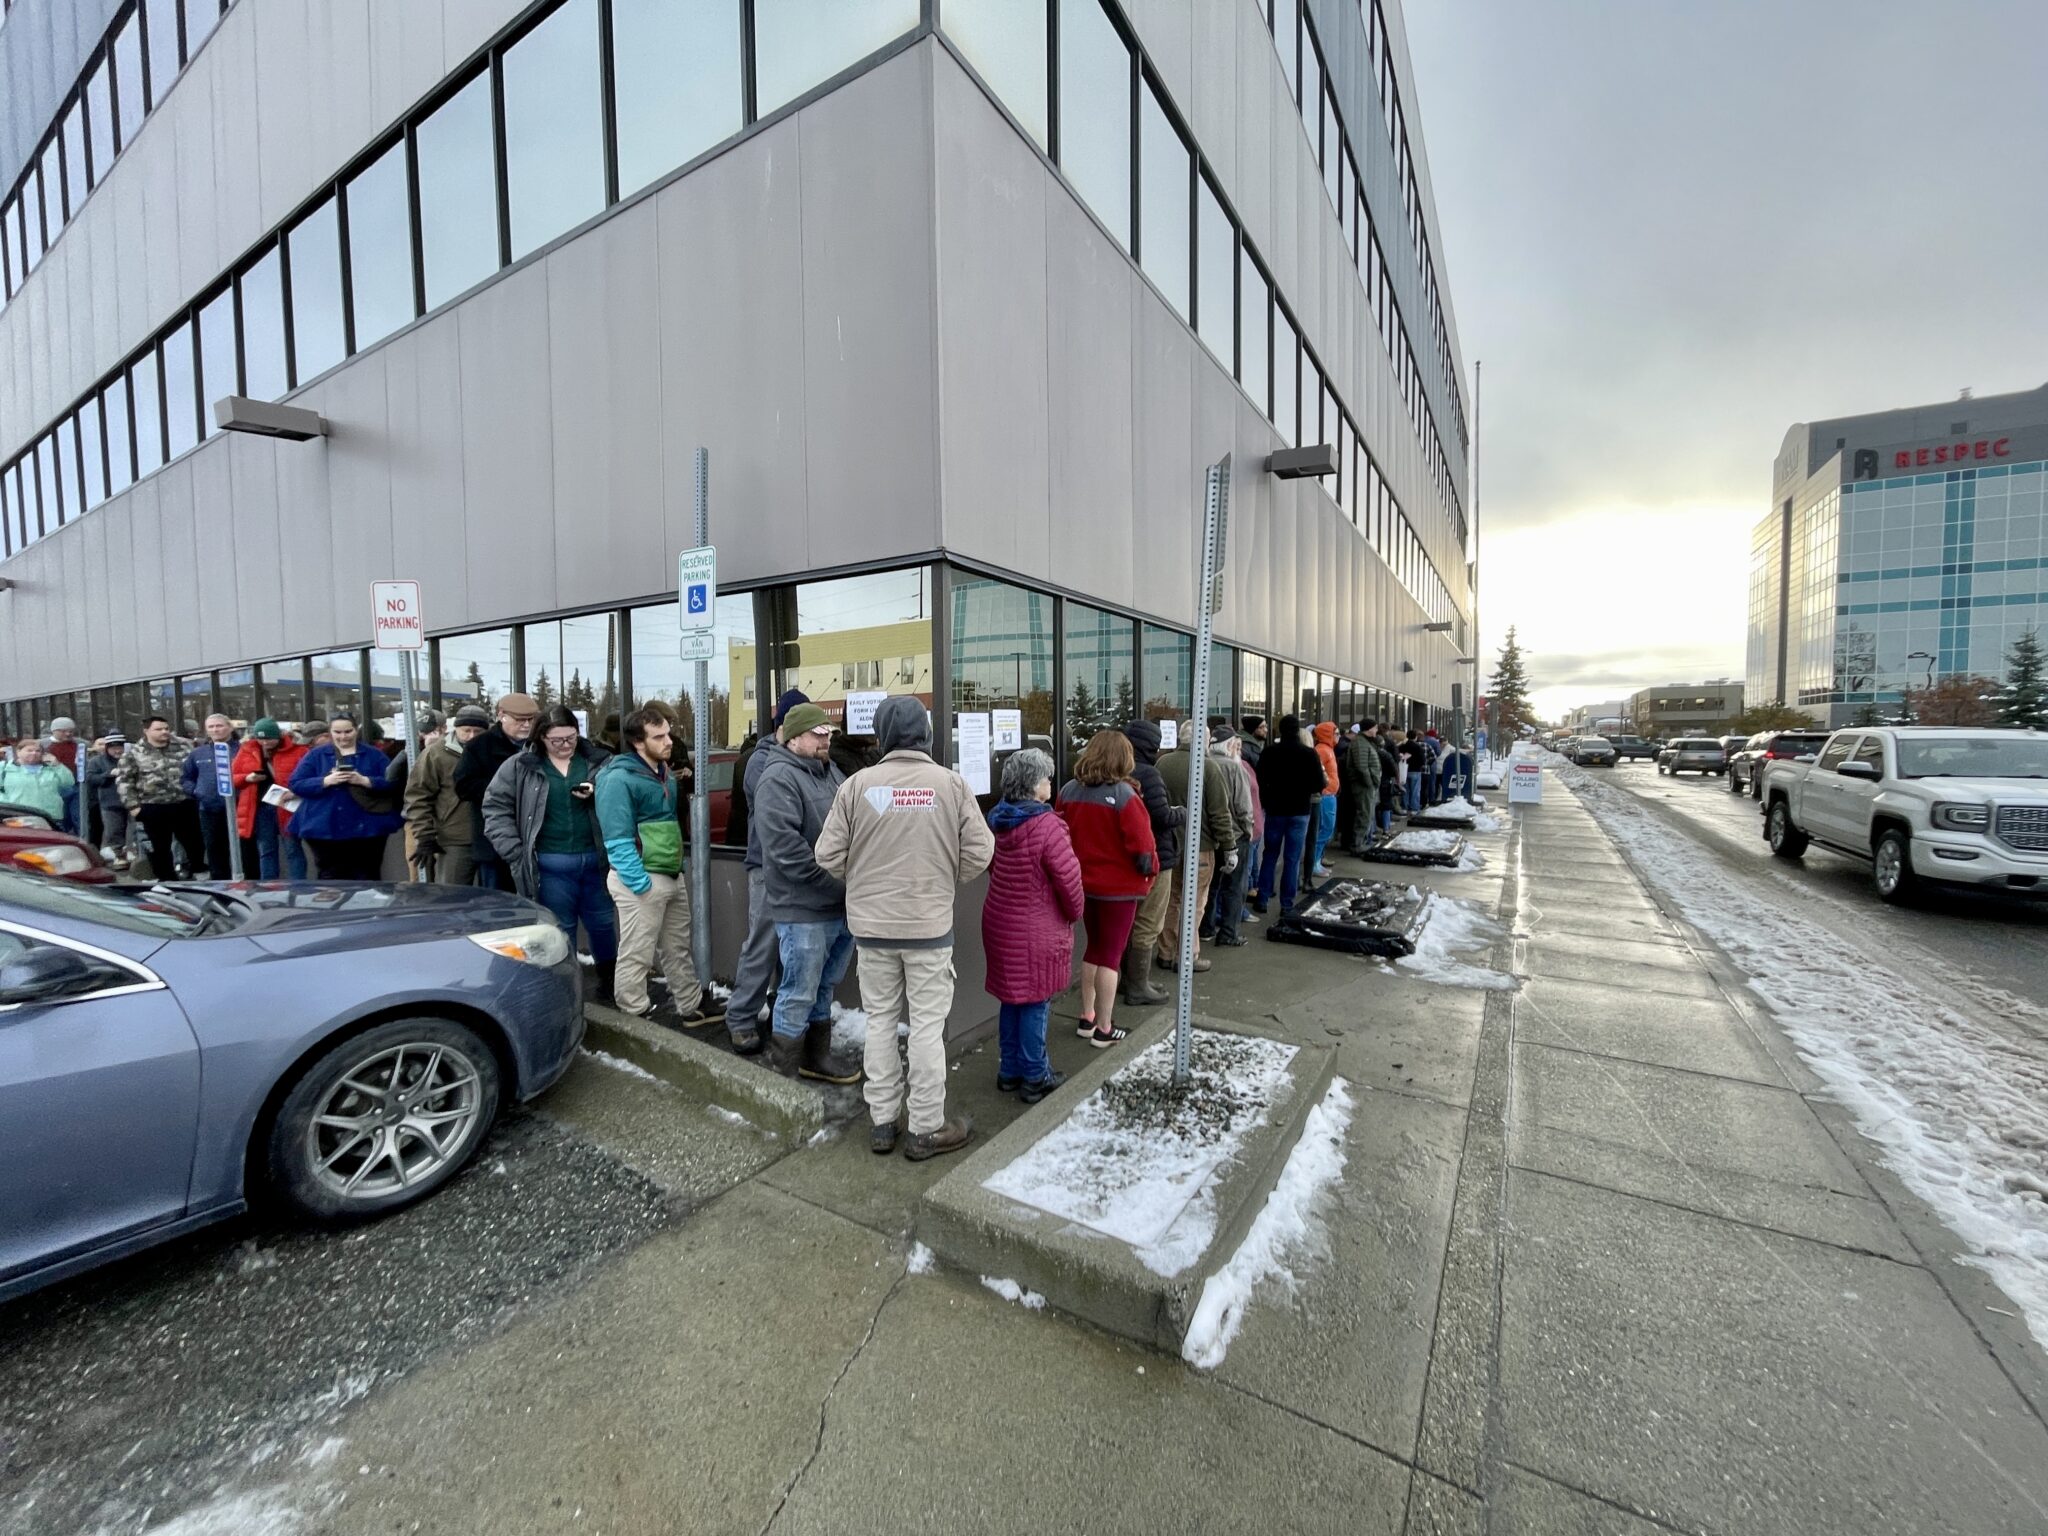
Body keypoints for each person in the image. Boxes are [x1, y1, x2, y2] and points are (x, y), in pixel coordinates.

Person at [815, 696, 994, 1159]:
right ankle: (926, 1129)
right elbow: (981, 851)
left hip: (872, 931)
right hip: (928, 930)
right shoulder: (950, 785)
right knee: (927, 1030)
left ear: (881, 736)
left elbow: (827, 855)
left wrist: (866, 880)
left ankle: (881, 1123)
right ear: (928, 736)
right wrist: (943, 878)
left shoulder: (856, 786)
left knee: (879, 1023)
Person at [750, 703, 863, 1083]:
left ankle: (815, 1058)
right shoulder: (777, 779)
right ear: (794, 736)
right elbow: (787, 853)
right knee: (797, 991)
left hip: (839, 904)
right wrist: (844, 884)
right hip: (803, 910)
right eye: (818, 733)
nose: (827, 738)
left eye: (829, 732)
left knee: (823, 985)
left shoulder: (830, 771)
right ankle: (781, 1079)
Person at [595, 707, 722, 1028]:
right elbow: (617, 837)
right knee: (637, 952)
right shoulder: (617, 779)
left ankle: (690, 1005)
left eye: (668, 733)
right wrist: (639, 883)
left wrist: (674, 871)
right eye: (659, 736)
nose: (669, 741)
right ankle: (634, 1015)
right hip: (640, 877)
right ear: (638, 742)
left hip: (668, 873)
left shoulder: (663, 773)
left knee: (676, 947)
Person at [487, 706, 619, 1001]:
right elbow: (494, 808)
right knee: (560, 929)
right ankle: (564, 988)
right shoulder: (520, 766)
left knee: (603, 924)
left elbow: (622, 797)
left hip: (597, 861)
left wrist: (597, 791)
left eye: (570, 738)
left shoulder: (599, 762)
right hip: (549, 864)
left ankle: (609, 982)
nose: (564, 745)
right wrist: (514, 851)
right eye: (556, 740)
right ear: (541, 737)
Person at [981, 748, 1084, 1105]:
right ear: (1032, 784)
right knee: (1036, 1002)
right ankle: (1035, 1076)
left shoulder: (996, 820)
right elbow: (1069, 881)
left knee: (1012, 999)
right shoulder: (1047, 825)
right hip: (1037, 927)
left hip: (1000, 920)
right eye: (1046, 778)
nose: (1051, 783)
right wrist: (1074, 913)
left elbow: (993, 868)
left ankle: (1009, 1070)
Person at [723, 689, 810, 1053]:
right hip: (768, 867)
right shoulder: (760, 762)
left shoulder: (801, 759)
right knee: (762, 943)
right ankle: (740, 1017)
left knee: (790, 948)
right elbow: (781, 807)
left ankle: (778, 1009)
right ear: (787, 727)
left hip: (800, 867)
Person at [1056, 730, 1155, 1049]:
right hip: (1119, 890)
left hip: (1082, 885)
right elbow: (1143, 848)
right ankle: (1104, 1028)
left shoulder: (1069, 790)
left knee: (1094, 950)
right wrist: (1150, 874)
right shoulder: (1126, 796)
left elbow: (1060, 833)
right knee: (1111, 957)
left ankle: (1086, 1017)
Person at [1156, 722, 1237, 974]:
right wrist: (1230, 847)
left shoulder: (1163, 764)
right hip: (1199, 847)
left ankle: (1166, 952)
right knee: (1195, 902)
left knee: (1172, 900)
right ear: (1205, 740)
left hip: (1169, 845)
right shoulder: (1208, 767)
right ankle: (1188, 955)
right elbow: (1219, 813)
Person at [1117, 719, 1183, 1007]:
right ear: (1152, 746)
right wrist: (1182, 813)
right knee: (1149, 921)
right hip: (1157, 857)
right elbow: (1162, 816)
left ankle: (1125, 980)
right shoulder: (1149, 775)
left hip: (1126, 858)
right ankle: (1138, 985)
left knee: (1128, 923)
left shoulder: (1117, 771)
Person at [287, 713, 402, 879]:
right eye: (337, 732)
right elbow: (296, 783)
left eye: (348, 732)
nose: (343, 737)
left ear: (356, 730)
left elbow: (393, 782)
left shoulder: (374, 755)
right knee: (331, 878)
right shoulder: (316, 755)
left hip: (367, 829)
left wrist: (365, 780)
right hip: (325, 828)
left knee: (368, 875)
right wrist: (325, 781)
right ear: (330, 733)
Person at [455, 694, 539, 889]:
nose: (526, 725)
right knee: (497, 903)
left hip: (535, 841)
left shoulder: (540, 745)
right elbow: (464, 786)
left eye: (531, 720)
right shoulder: (479, 746)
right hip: (494, 842)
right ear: (502, 716)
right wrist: (505, 789)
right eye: (520, 720)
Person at [407, 704, 490, 884]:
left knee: (495, 899)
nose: (471, 736)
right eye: (466, 730)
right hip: (454, 838)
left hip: (492, 836)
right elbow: (418, 795)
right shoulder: (436, 754)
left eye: (478, 731)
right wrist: (425, 835)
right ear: (456, 729)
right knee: (451, 895)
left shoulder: (493, 750)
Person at [1253, 715, 1326, 914]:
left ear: (1280, 730)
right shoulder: (1309, 754)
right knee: (1292, 858)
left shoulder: (1269, 752)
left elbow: (1259, 778)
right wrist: (1304, 789)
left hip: (1276, 809)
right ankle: (1287, 903)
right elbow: (1319, 784)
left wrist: (1267, 799)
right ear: (1297, 731)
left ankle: (1263, 897)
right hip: (1299, 810)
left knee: (1270, 853)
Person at [117, 717, 204, 879]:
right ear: (146, 731)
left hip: (184, 804)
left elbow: (196, 771)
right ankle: (166, 879)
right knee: (159, 848)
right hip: (153, 806)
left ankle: (198, 874)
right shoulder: (134, 753)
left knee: (195, 844)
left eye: (166, 728)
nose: (164, 732)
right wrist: (134, 807)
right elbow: (124, 781)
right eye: (158, 729)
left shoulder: (184, 747)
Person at [1209, 731, 1258, 947]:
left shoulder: (1205, 764)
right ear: (1228, 747)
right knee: (1235, 886)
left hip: (1210, 836)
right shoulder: (1234, 768)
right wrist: (1248, 830)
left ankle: (1206, 928)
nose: (1239, 751)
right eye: (1236, 746)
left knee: (1210, 886)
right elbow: (1243, 806)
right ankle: (1229, 932)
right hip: (1235, 835)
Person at [179, 713, 240, 878]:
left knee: (243, 850)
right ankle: (221, 884)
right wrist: (197, 791)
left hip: (239, 809)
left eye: (219, 725)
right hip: (209, 810)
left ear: (230, 727)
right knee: (215, 849)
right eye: (211, 727)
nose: (215, 729)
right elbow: (186, 778)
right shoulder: (198, 753)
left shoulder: (242, 750)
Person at [231, 719, 292, 878]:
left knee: (292, 849)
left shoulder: (293, 749)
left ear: (278, 736)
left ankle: (297, 885)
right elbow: (233, 777)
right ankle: (269, 886)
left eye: (269, 739)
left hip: (287, 804)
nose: (265, 743)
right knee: (266, 850)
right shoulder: (247, 750)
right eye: (261, 739)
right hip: (261, 806)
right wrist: (247, 778)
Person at [276, 721, 324, 879]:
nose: (309, 746)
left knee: (323, 858)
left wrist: (297, 791)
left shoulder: (309, 755)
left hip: (316, 811)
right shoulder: (307, 754)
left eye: (311, 742)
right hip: (295, 810)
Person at [86, 734, 134, 870]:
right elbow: (90, 779)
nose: (117, 751)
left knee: (135, 830)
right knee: (113, 830)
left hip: (133, 801)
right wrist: (108, 774)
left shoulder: (132, 759)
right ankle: (118, 856)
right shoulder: (97, 761)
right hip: (110, 802)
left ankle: (134, 855)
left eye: (120, 747)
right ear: (107, 749)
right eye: (113, 748)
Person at [0, 738, 74, 823]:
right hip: (16, 815)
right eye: (29, 750)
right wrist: (8, 804)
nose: (34, 753)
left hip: (50, 817)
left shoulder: (51, 768)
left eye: (38, 751)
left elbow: (68, 782)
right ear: (18, 752)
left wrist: (57, 765)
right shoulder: (4, 768)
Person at [1343, 719, 1385, 852]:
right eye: (1375, 728)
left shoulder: (1364, 742)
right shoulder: (1360, 743)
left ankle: (1361, 842)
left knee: (1366, 814)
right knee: (1364, 815)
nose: (1377, 730)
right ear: (1369, 728)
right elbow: (1361, 767)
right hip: (1363, 786)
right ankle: (1357, 845)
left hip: (1366, 784)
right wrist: (1370, 783)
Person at [1310, 722, 1342, 878]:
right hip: (1325, 795)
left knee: (1326, 830)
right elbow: (1316, 772)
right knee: (1325, 829)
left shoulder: (1327, 749)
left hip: (1329, 794)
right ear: (1327, 735)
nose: (1338, 736)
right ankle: (1314, 862)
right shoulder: (1322, 750)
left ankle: (1317, 860)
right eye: (1336, 733)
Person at [42, 717, 80, 833]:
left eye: (71, 731)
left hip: (77, 785)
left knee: (78, 817)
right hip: (55, 787)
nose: (68, 734)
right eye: (63, 731)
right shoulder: (43, 745)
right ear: (54, 731)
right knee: (61, 817)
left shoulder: (80, 744)